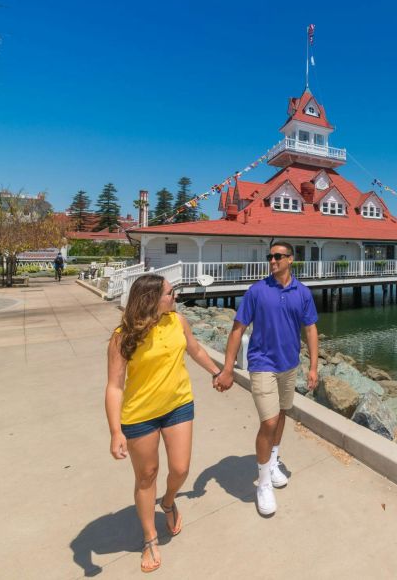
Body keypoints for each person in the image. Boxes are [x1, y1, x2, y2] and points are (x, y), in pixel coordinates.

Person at [105, 274, 225, 573]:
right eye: (171, 293)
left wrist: (216, 372)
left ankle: (169, 502)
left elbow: (195, 349)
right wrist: (115, 431)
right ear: (151, 300)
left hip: (178, 406)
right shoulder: (123, 336)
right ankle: (149, 538)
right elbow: (114, 386)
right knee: (147, 476)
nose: (175, 297)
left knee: (181, 468)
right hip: (140, 415)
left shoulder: (178, 321)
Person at [215, 240, 319, 517]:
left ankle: (272, 460)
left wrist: (313, 368)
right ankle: (262, 483)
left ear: (291, 259)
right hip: (261, 364)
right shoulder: (257, 291)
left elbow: (310, 330)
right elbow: (238, 329)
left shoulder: (303, 292)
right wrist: (227, 369)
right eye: (270, 256)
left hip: (289, 365)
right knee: (269, 420)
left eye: (278, 257)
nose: (272, 261)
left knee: (282, 413)